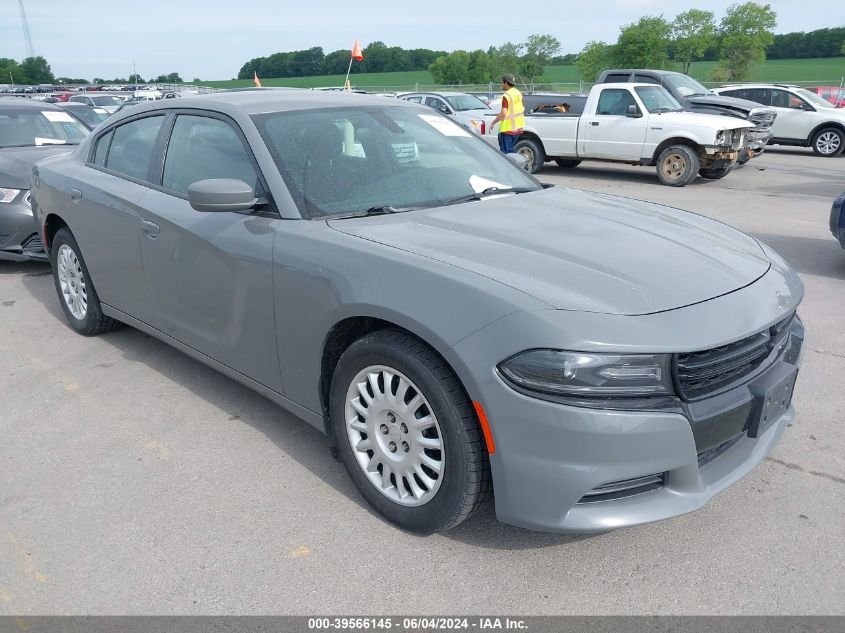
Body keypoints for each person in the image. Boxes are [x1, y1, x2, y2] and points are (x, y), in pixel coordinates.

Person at [488, 74, 525, 154]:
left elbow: (503, 112)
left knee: (505, 154)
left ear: (506, 83)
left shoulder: (506, 95)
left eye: (502, 83)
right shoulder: (518, 93)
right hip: (518, 128)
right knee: (511, 152)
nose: (502, 85)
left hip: (507, 129)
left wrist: (493, 122)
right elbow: (523, 107)